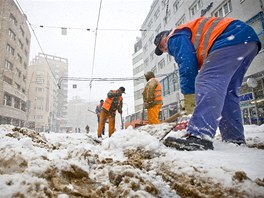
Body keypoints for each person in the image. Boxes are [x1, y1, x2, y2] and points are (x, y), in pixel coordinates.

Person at [154, 16, 261, 150]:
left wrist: (189, 96)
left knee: (207, 82)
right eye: (163, 50)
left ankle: (200, 135)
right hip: (247, 41)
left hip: (228, 38)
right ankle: (234, 138)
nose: (165, 49)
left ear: (165, 37)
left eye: (162, 46)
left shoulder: (174, 37)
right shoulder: (186, 35)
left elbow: (187, 66)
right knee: (227, 92)